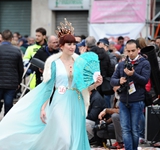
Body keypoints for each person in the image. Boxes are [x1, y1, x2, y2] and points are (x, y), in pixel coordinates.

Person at [0, 21, 102, 150]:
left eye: (74, 44)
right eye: (68, 44)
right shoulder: (54, 63)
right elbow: (48, 87)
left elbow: (83, 88)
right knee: (64, 138)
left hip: (77, 103)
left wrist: (95, 84)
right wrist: (43, 107)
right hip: (59, 102)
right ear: (61, 46)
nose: (72, 47)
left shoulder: (79, 63)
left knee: (73, 138)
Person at [110, 39, 151, 150]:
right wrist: (119, 81)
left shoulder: (144, 63)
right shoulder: (121, 64)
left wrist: (133, 75)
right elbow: (112, 80)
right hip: (123, 100)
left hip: (137, 101)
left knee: (134, 129)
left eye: (133, 50)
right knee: (125, 129)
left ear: (138, 50)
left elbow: (144, 80)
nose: (131, 53)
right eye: (128, 51)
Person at [0, 29, 24, 115]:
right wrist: (19, 82)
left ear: (1, 38)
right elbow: (20, 69)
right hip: (11, 83)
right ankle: (6, 124)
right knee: (8, 104)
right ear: (11, 39)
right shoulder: (17, 51)